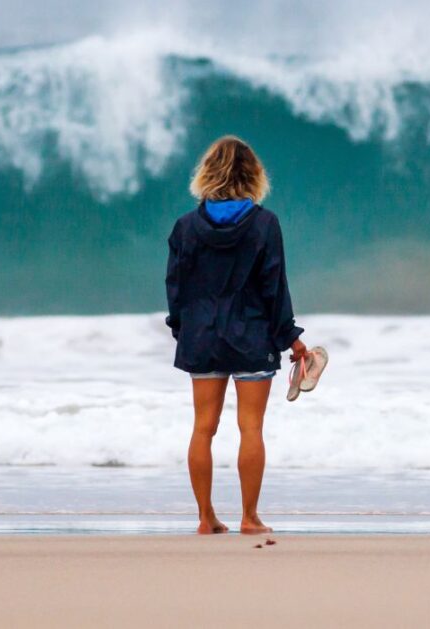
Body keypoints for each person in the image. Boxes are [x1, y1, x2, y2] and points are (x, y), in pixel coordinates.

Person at [165, 135, 306, 535]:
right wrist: (290, 338)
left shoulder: (186, 227)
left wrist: (183, 329)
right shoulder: (264, 224)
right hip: (252, 338)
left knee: (202, 428)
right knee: (250, 428)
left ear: (206, 173)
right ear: (254, 175)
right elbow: (273, 287)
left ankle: (205, 518)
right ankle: (249, 517)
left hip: (202, 337)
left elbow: (175, 286)